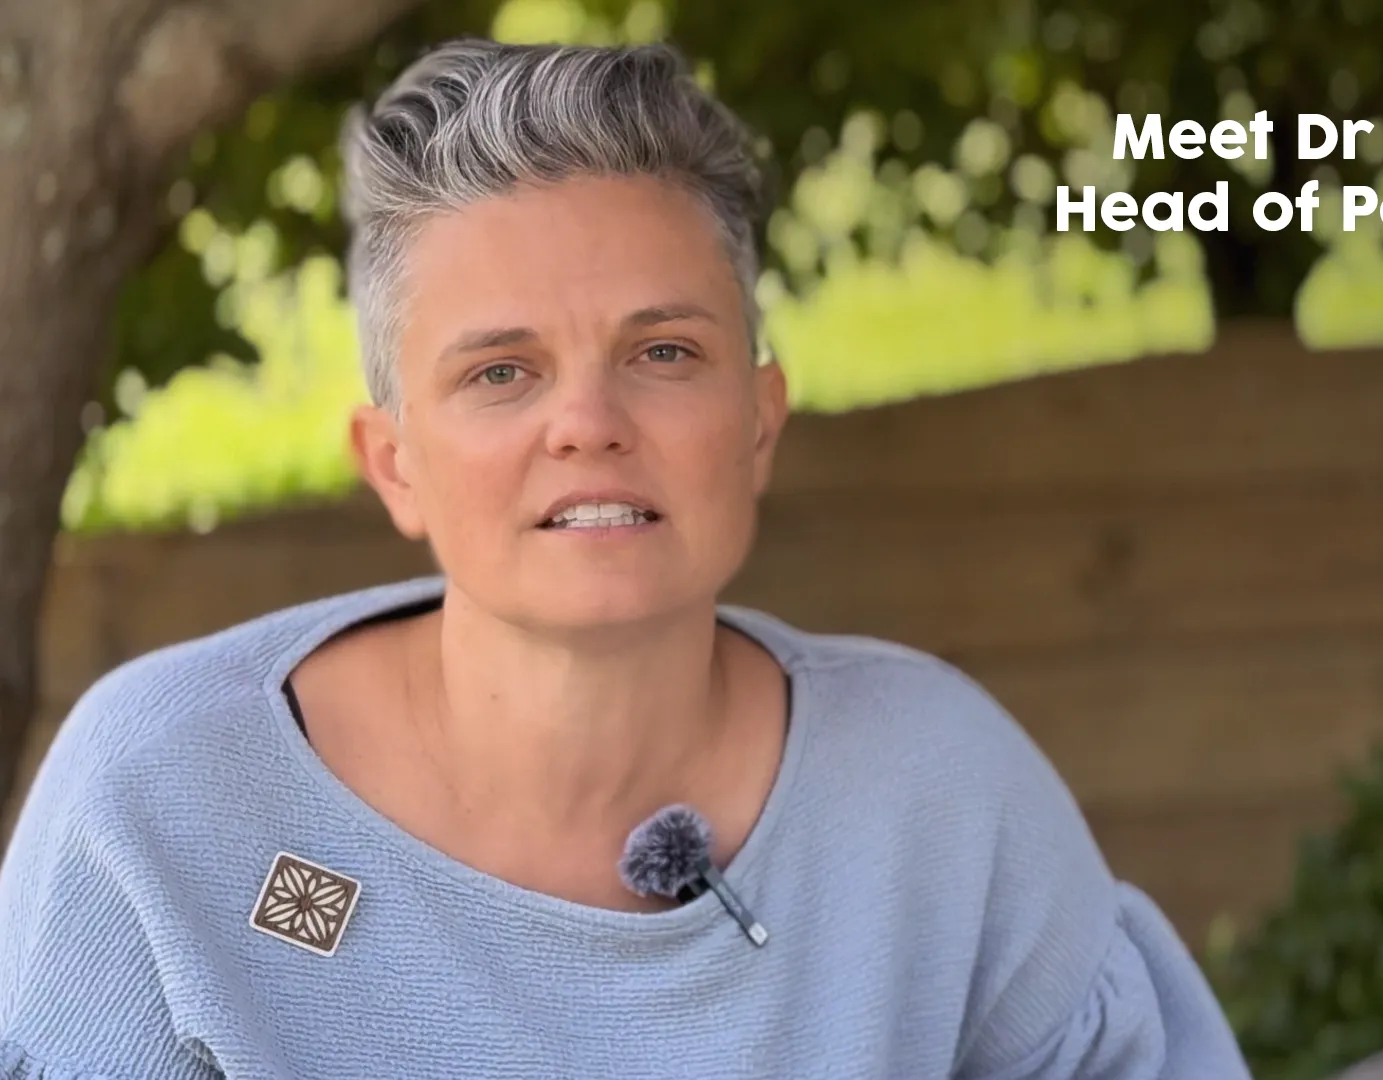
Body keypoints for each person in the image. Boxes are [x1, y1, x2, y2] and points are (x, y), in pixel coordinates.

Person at [0, 38, 1251, 1080]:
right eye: (502, 372)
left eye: (663, 353)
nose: (588, 422)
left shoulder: (941, 794)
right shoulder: (160, 805)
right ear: (395, 465)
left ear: (758, 419)